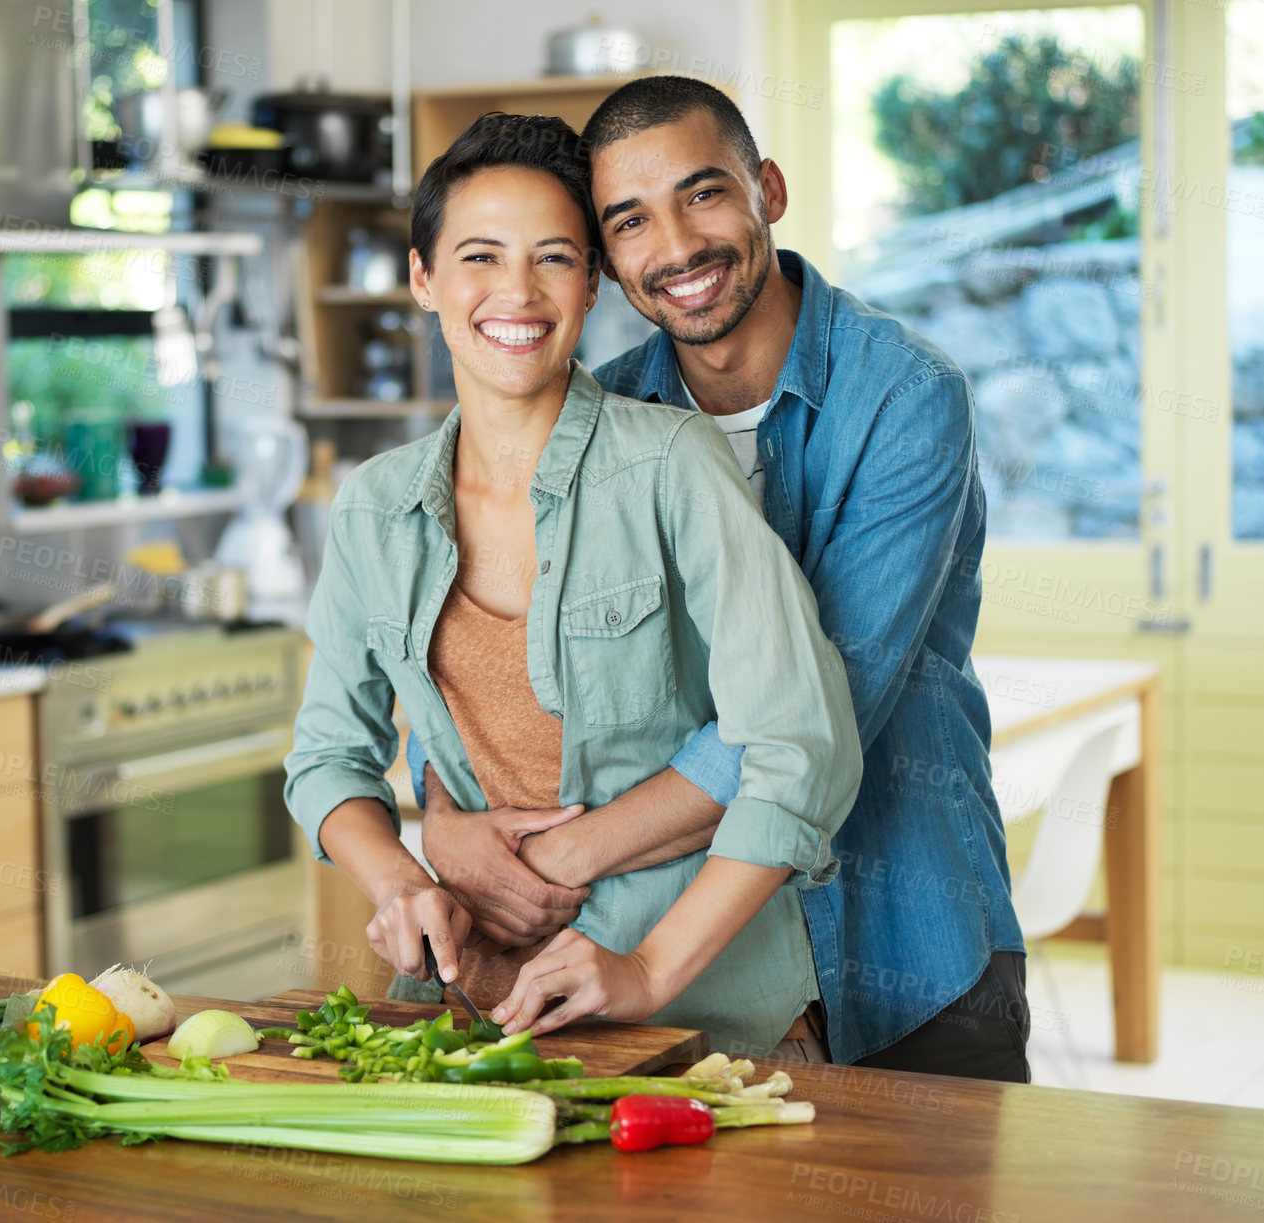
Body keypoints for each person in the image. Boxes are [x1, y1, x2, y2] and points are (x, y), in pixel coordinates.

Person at [412, 76, 1030, 1082]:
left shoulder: (905, 397)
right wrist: (443, 816)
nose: (677, 246)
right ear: (606, 263)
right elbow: (492, 664)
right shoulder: (596, 419)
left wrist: (554, 860)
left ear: (768, 190)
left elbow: (809, 716)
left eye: (702, 194)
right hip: (691, 964)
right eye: (629, 221)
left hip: (902, 944)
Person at [282, 111, 862, 1056]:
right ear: (424, 279)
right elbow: (327, 761)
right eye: (479, 257)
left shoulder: (672, 464)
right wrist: (399, 881)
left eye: (553, 257)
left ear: (591, 284)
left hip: (698, 1015)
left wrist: (648, 968)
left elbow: (800, 743)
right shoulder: (374, 507)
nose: (516, 291)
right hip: (463, 1015)